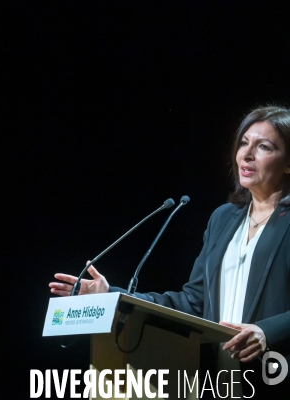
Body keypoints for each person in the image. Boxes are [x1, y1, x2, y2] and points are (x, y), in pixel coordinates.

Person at [49, 105, 290, 395]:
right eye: (243, 143)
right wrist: (113, 295)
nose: (246, 155)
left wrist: (267, 332)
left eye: (263, 146)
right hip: (219, 382)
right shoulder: (223, 219)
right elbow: (192, 301)